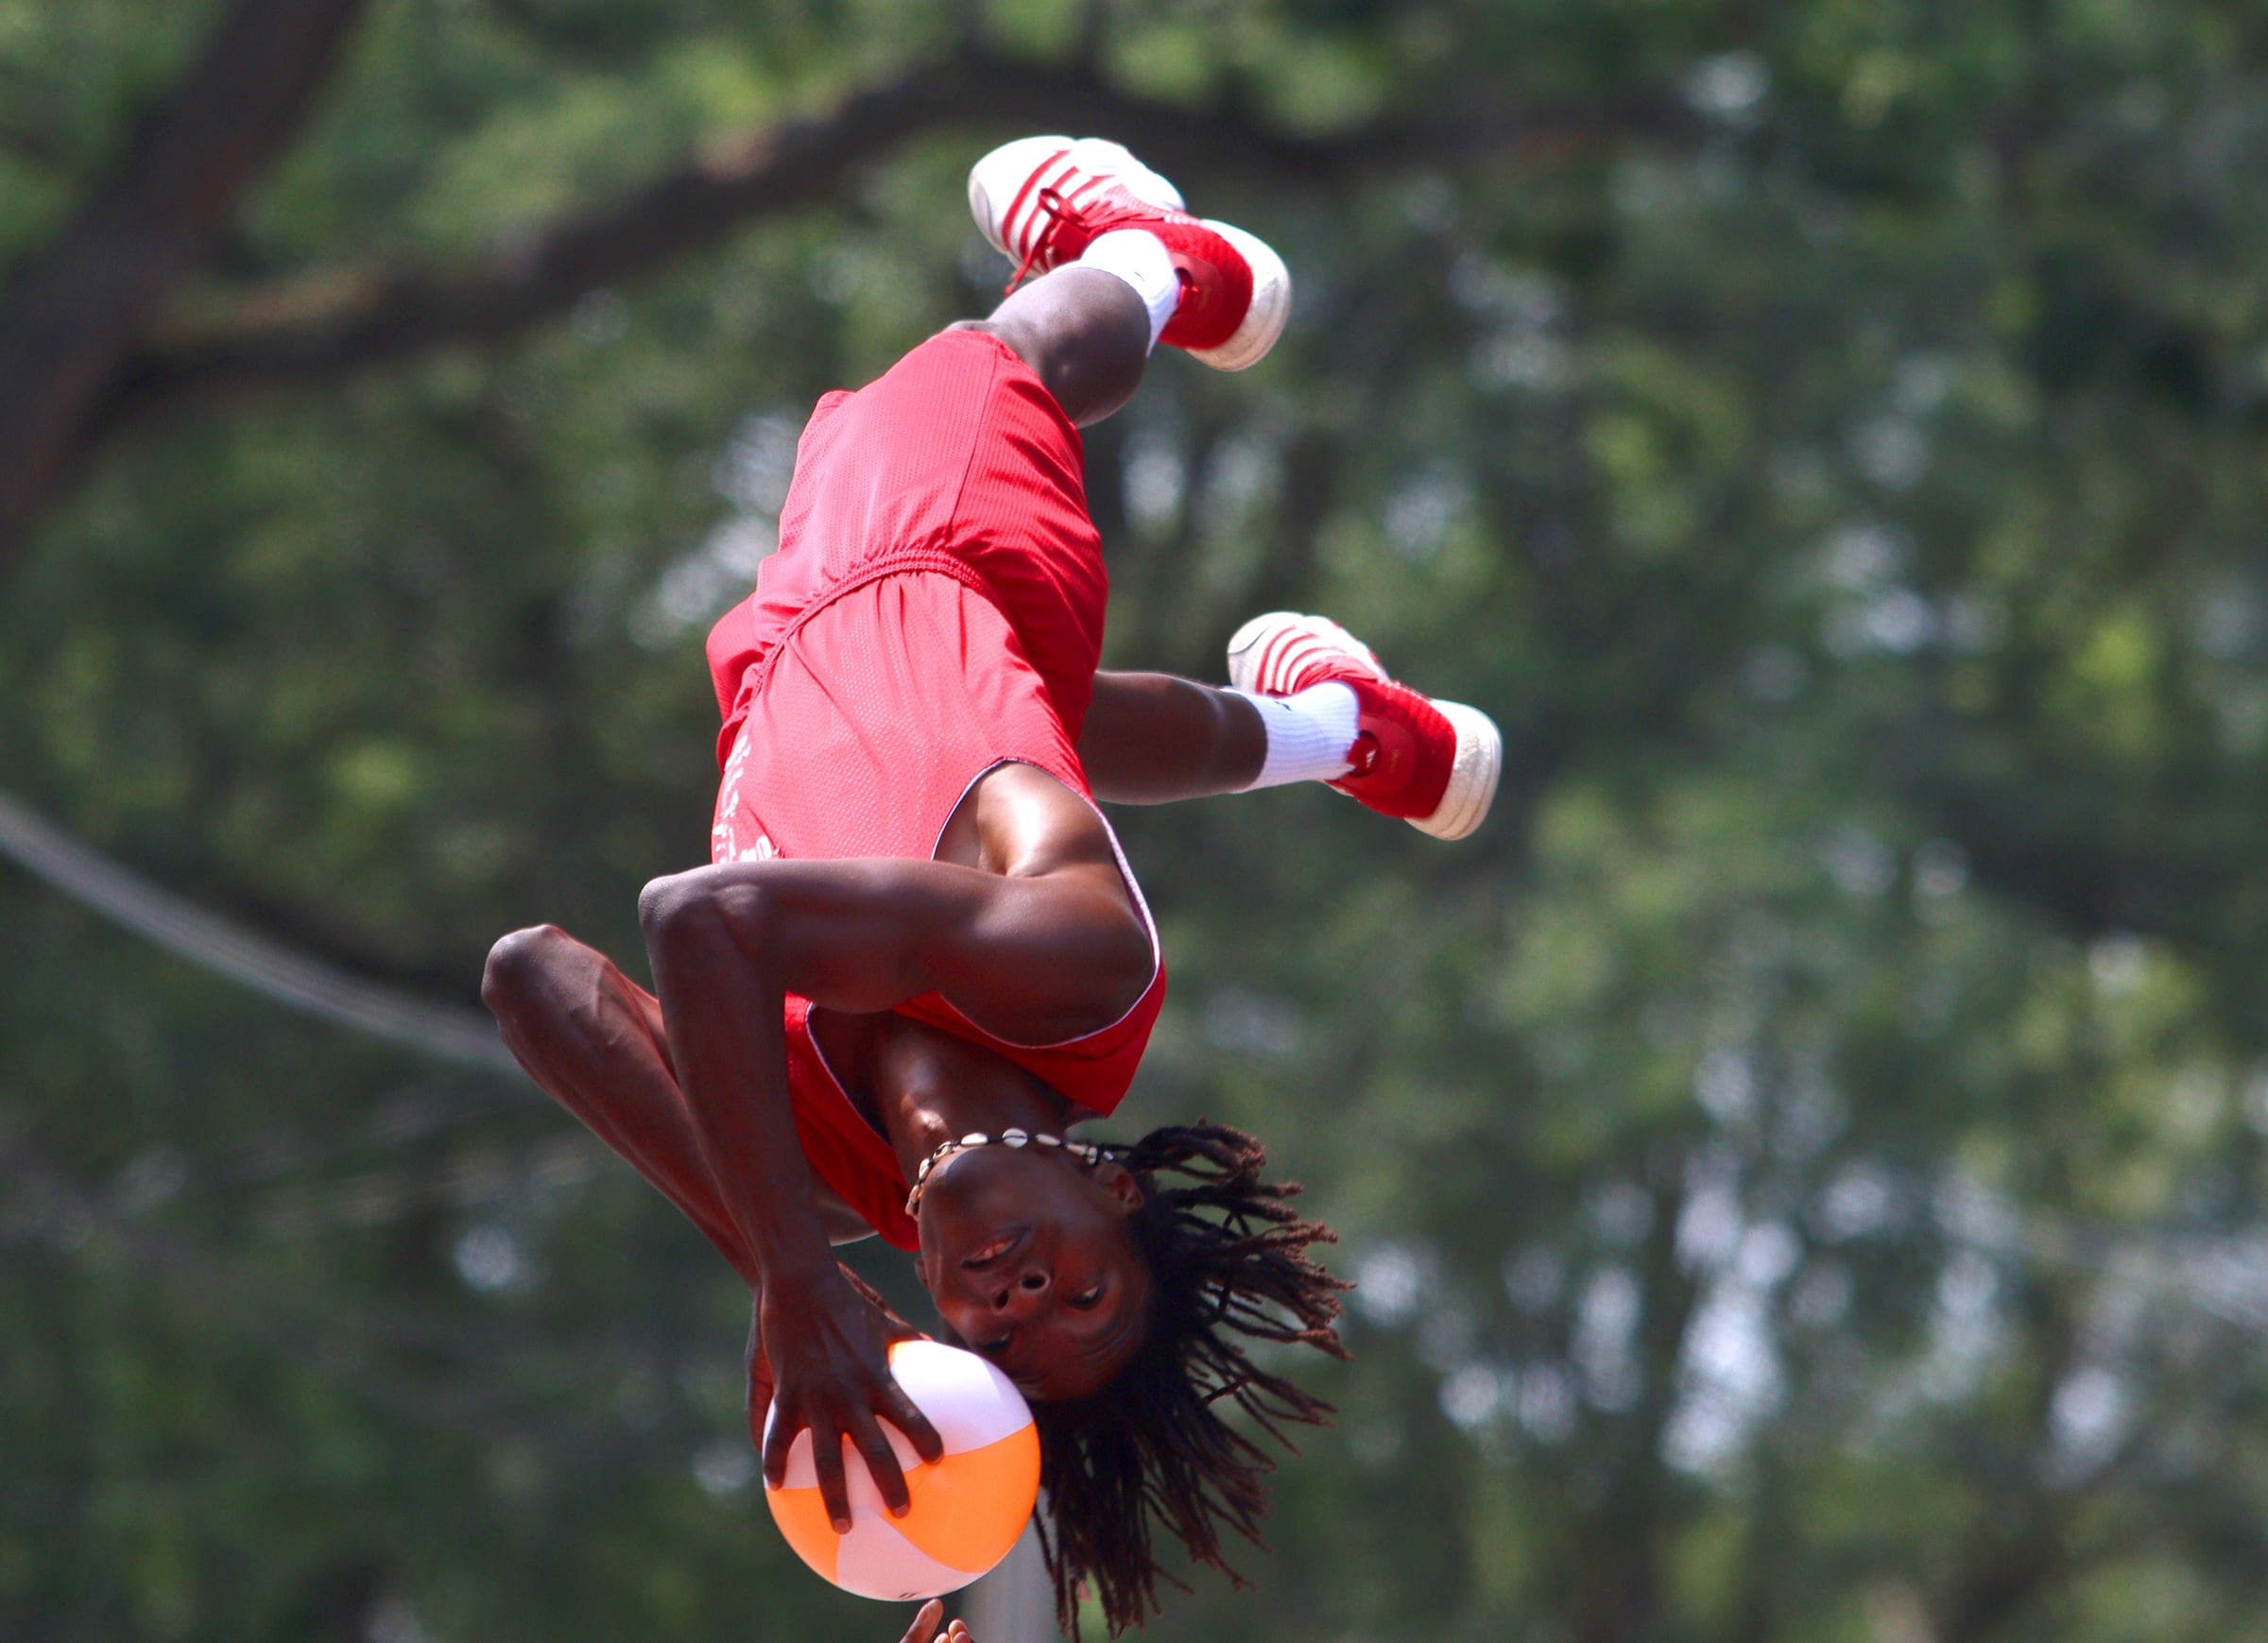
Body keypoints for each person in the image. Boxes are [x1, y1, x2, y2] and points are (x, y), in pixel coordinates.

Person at [481, 135, 1500, 1634]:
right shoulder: (1075, 973)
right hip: (938, 561)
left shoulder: (815, 1185)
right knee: (990, 355)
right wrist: (789, 1285)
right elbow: (700, 922)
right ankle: (1161, 260)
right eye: (1081, 1294)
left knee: (1060, 712)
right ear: (1111, 1184)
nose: (1018, 1299)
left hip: (793, 667)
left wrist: (802, 1295)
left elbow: (535, 976)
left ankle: (1358, 732)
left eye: (1002, 1335)